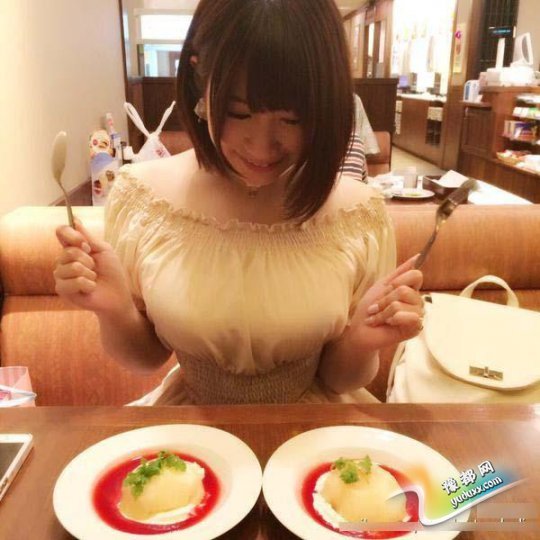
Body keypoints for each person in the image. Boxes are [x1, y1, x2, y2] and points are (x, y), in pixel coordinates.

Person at [54, 0, 424, 405]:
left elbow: (339, 380)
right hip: (190, 430)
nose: (262, 146)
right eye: (239, 113)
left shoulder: (358, 214)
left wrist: (363, 340)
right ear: (200, 79)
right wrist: (114, 310)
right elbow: (146, 358)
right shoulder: (143, 198)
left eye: (292, 119)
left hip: (316, 430)